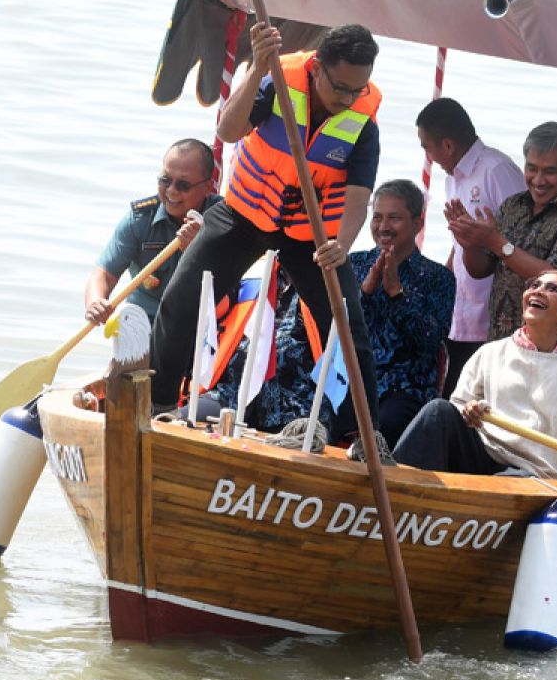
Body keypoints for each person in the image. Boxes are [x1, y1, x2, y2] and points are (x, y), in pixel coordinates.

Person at [149, 23, 384, 440]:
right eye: (341, 88)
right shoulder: (277, 78)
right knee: (180, 299)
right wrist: (256, 70)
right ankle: (159, 402)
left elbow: (358, 197)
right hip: (245, 214)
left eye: (357, 90)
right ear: (316, 68)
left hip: (310, 234)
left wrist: (341, 245)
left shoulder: (363, 118)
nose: (348, 99)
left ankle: (364, 437)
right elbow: (227, 132)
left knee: (347, 325)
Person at [392, 269, 557, 480]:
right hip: (484, 456)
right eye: (534, 285)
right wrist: (468, 411)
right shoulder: (490, 352)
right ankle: (391, 484)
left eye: (552, 289)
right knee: (438, 411)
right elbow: (459, 405)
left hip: (537, 476)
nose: (537, 291)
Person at [447, 121, 557, 348]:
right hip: (501, 348)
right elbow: (481, 270)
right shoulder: (513, 206)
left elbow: (556, 281)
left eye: (549, 171)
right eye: (532, 169)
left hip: (553, 357)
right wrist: (470, 245)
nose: (538, 180)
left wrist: (497, 242)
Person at [416, 97, 526, 397]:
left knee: (474, 405)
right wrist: (441, 286)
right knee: (451, 397)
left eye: (427, 146)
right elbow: (459, 242)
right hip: (461, 311)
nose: (427, 155)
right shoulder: (453, 179)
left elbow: (524, 238)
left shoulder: (496, 170)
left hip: (494, 317)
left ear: (447, 145)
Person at [349, 179, 455, 447]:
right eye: (378, 218)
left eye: (394, 218)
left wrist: (397, 293)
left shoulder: (438, 277)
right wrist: (365, 293)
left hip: (405, 388)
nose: (383, 227)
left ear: (417, 224)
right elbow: (336, 330)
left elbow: (431, 342)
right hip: (350, 380)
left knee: (385, 424)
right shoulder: (354, 264)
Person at [85, 139, 221, 326]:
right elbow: (104, 274)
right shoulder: (140, 219)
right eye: (165, 180)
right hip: (145, 320)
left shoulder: (224, 219)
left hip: (203, 324)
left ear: (207, 187)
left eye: (183, 185)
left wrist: (198, 250)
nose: (171, 191)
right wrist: (95, 302)